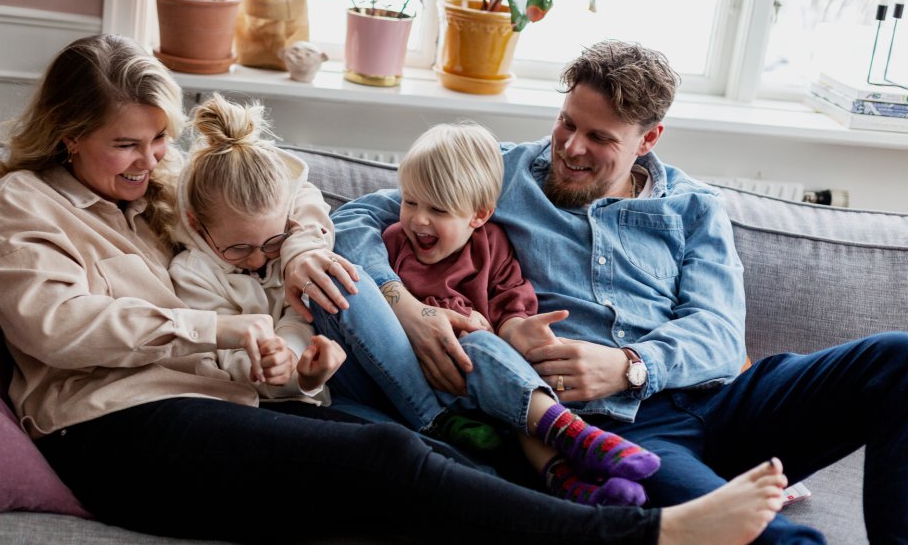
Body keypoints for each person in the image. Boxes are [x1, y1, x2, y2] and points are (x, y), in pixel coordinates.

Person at [0, 33, 789, 544]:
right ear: (70, 137)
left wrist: (295, 268)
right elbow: (57, 327)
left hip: (229, 408)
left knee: (440, 456)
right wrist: (221, 336)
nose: (151, 162)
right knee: (393, 455)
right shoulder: (22, 205)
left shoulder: (171, 188)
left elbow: (300, 198)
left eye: (159, 140)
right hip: (113, 433)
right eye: (126, 145)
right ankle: (646, 537)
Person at [322, 40, 908, 543]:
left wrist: (630, 365)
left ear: (648, 138)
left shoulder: (694, 207)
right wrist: (406, 305)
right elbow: (357, 219)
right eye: (567, 122)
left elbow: (722, 335)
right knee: (758, 536)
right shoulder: (499, 173)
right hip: (622, 431)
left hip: (722, 399)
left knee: (897, 359)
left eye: (598, 137)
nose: (571, 148)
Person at [328, 121, 660, 505]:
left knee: (494, 357)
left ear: (479, 215)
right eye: (409, 201)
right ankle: (574, 440)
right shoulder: (392, 242)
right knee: (482, 348)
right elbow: (348, 234)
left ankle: (569, 472)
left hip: (481, 383)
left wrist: (516, 329)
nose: (418, 219)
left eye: (437, 209)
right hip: (414, 379)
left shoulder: (494, 246)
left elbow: (510, 299)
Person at [168, 93, 344, 405]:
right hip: (254, 404)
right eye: (238, 248)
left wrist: (290, 355)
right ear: (196, 224)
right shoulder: (192, 274)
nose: (259, 258)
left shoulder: (290, 239)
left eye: (271, 242)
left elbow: (298, 314)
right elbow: (224, 355)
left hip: (308, 392)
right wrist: (274, 368)